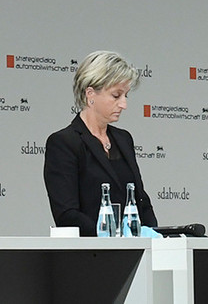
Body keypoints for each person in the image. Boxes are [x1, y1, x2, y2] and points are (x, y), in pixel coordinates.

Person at [43, 50, 159, 236]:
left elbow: (141, 201)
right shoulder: (64, 143)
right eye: (116, 96)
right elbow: (66, 215)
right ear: (90, 94)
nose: (124, 104)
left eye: (125, 96)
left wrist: (153, 237)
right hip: (90, 256)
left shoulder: (124, 139)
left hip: (136, 253)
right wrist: (114, 235)